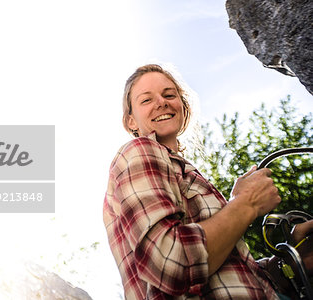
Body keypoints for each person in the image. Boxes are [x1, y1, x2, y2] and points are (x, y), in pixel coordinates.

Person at [103, 64, 312, 299]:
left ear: (183, 106)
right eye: (146, 100)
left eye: (169, 94)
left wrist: (290, 261)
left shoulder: (182, 172)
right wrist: (246, 203)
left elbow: (229, 277)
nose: (161, 102)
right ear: (131, 121)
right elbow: (171, 263)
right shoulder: (140, 150)